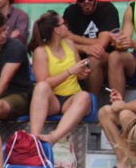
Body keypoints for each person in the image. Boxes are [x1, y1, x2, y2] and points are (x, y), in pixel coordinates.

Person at [27, 11, 94, 146]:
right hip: (53, 100)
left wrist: (82, 73)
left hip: (72, 98)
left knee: (84, 96)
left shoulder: (69, 44)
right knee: (40, 87)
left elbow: (78, 72)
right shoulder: (41, 51)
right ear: (57, 30)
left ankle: (54, 137)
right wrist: (69, 72)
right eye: (64, 23)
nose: (67, 26)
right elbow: (44, 83)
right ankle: (33, 139)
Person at [62, 0, 118, 96]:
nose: (87, 1)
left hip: (105, 57)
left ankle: (91, 102)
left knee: (94, 58)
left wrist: (72, 36)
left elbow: (101, 44)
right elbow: (64, 42)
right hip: (79, 57)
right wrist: (84, 48)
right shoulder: (70, 12)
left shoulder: (107, 9)